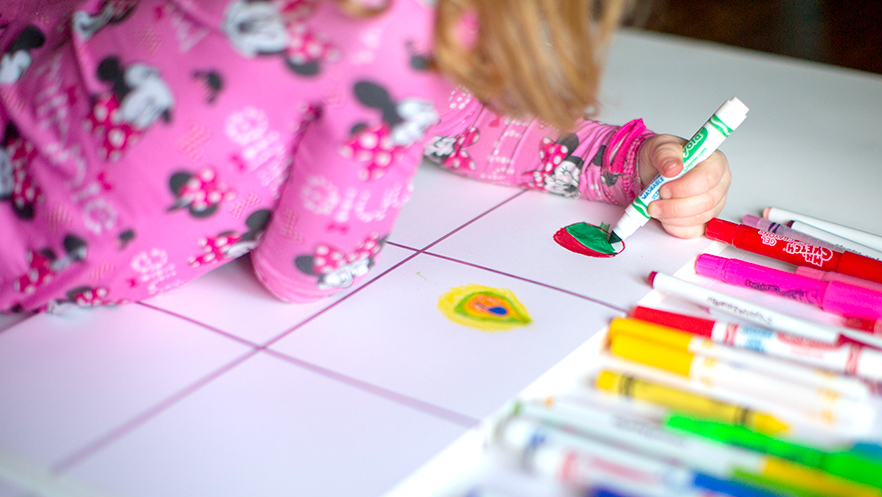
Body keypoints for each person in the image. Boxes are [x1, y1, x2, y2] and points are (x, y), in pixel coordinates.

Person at [0, 0, 731, 312]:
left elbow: (455, 116)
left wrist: (626, 160)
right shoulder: (396, 34)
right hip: (30, 224)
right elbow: (305, 269)